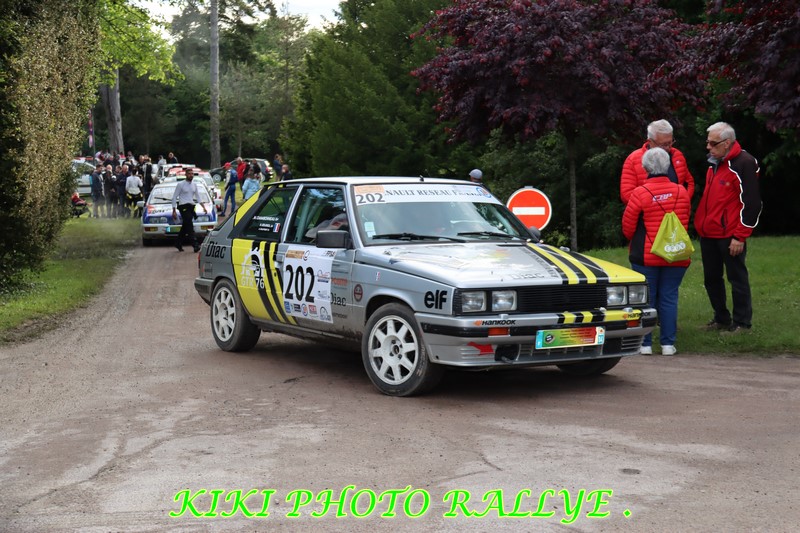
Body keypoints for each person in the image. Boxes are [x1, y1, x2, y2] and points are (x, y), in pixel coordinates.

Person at [622, 148, 691, 356]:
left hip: (646, 255)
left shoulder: (640, 193)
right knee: (669, 297)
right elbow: (685, 220)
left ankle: (645, 344)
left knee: (647, 299)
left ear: (645, 168)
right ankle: (668, 345)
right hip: (676, 254)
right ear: (668, 166)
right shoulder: (681, 191)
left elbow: (628, 228)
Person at [695, 122, 762, 334]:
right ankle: (721, 318)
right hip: (708, 232)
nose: (708, 147)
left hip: (730, 233)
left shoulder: (744, 163)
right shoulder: (714, 162)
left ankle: (742, 323)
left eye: (713, 143)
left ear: (726, 143)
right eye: (707, 142)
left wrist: (740, 236)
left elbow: (752, 203)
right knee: (711, 278)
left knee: (737, 278)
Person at [620, 119, 695, 205]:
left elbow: (689, 182)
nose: (668, 147)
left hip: (677, 210)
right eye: (663, 144)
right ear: (650, 141)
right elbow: (626, 194)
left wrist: (683, 201)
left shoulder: (677, 155)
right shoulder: (633, 160)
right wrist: (654, 206)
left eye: (670, 142)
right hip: (648, 212)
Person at [171, 168, 208, 252]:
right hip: (183, 207)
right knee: (189, 225)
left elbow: (198, 197)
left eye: (192, 174)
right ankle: (195, 245)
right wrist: (173, 210)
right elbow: (174, 197)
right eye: (189, 174)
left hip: (191, 207)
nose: (191, 175)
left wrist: (203, 207)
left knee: (186, 225)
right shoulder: (180, 184)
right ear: (186, 175)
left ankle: (178, 243)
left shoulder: (194, 185)